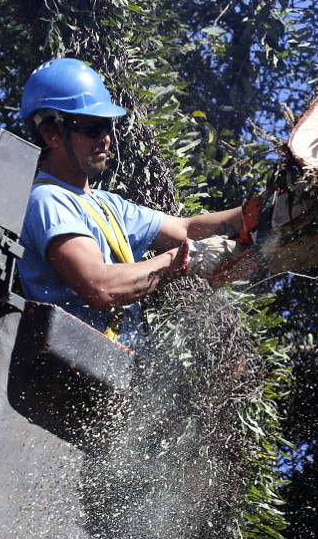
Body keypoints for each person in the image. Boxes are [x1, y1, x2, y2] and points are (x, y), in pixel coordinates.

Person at [16, 58, 258, 342]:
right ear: (51, 134)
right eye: (92, 127)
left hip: (114, 361)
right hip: (71, 361)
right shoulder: (47, 201)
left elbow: (187, 229)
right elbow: (99, 286)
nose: (105, 138)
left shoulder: (107, 204)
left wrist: (261, 210)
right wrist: (182, 260)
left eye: (107, 125)